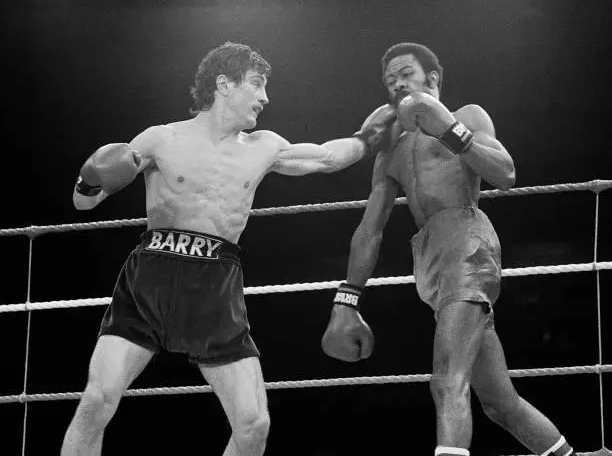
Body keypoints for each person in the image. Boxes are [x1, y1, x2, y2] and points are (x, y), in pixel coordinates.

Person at [61, 41, 395, 456]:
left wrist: (368, 138)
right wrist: (89, 180)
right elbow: (84, 202)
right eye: (256, 84)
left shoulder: (264, 147)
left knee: (254, 424)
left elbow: (327, 158)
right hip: (151, 275)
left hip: (216, 282)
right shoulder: (162, 139)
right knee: (96, 401)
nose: (264, 97)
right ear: (224, 84)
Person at [321, 42, 580, 456]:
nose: (398, 83)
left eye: (406, 73)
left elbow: (506, 174)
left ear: (433, 79)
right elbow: (370, 230)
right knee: (499, 404)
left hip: (467, 244)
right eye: (390, 79)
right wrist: (347, 299)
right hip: (430, 259)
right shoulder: (390, 150)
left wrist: (451, 131)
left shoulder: (466, 117)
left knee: (446, 380)